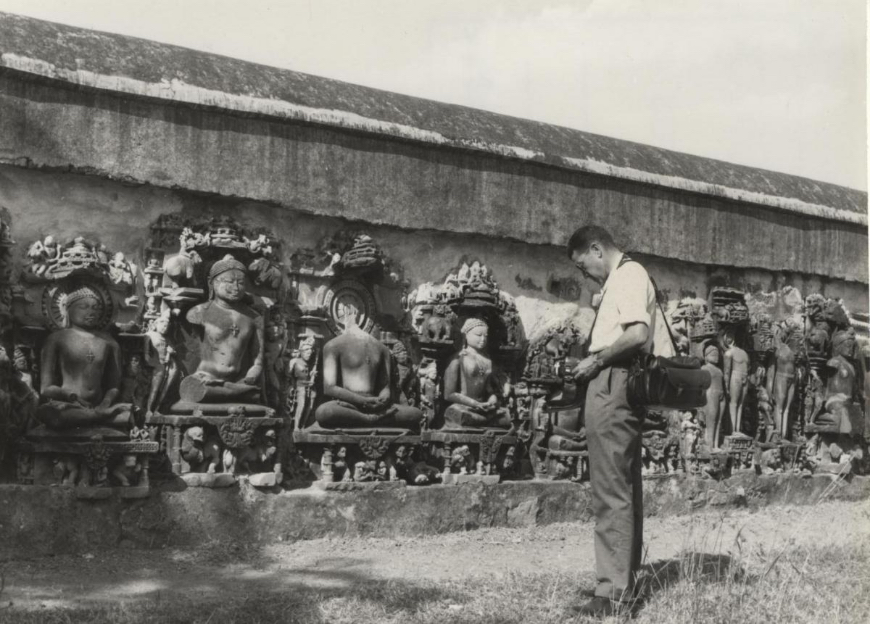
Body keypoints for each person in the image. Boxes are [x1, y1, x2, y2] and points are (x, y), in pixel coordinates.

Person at [566, 225, 657, 618]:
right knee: (621, 486)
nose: (586, 275)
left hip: (612, 381)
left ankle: (613, 593)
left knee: (611, 490)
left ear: (596, 249)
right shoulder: (625, 278)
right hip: (614, 381)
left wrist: (596, 361)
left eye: (584, 266)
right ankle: (623, 584)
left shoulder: (630, 274)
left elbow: (637, 333)